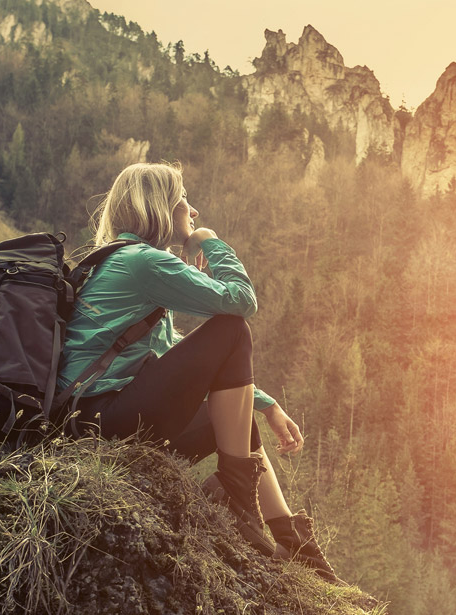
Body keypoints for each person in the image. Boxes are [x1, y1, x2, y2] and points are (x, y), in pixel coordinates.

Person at [58, 161, 337, 582]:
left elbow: (174, 354)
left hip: (98, 419)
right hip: (101, 420)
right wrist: (210, 242)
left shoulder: (124, 260)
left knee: (237, 423)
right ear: (161, 207)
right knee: (232, 330)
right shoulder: (141, 262)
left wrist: (267, 405)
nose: (194, 212)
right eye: (184, 199)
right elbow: (242, 302)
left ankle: (292, 542)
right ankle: (239, 501)